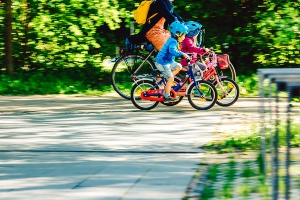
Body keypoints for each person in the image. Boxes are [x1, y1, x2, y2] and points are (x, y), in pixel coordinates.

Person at [155, 21, 189, 103]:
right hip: (162, 62)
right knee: (171, 78)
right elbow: (172, 50)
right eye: (184, 35)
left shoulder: (174, 41)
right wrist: (182, 54)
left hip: (168, 61)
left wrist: (184, 54)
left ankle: (166, 78)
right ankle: (166, 97)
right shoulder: (173, 41)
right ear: (178, 34)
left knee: (179, 66)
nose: (184, 37)